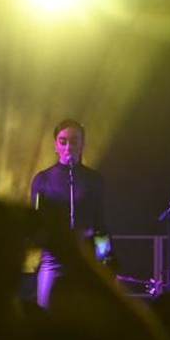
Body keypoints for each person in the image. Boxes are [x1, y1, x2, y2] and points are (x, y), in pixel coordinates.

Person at [29, 119, 106, 308]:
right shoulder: (43, 179)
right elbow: (36, 224)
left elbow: (101, 224)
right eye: (63, 141)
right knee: (46, 313)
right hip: (53, 258)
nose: (68, 146)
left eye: (74, 140)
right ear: (56, 145)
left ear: (82, 144)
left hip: (86, 256)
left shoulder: (94, 180)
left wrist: (106, 262)